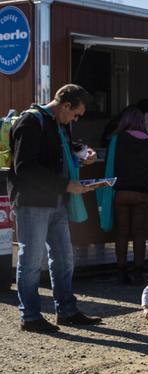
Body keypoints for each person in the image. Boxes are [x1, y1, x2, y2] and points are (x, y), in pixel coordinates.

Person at [9, 84, 103, 333]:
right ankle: (30, 317)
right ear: (65, 105)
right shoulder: (31, 122)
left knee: (63, 258)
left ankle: (67, 310)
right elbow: (24, 167)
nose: (76, 119)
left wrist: (84, 153)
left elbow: (63, 150)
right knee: (30, 260)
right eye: (76, 114)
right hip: (33, 202)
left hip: (56, 200)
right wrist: (65, 184)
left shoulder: (59, 124)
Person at [106, 106, 148, 284]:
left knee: (121, 233)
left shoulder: (116, 139)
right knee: (139, 233)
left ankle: (121, 272)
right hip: (142, 194)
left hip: (121, 193)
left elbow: (109, 165)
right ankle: (138, 272)